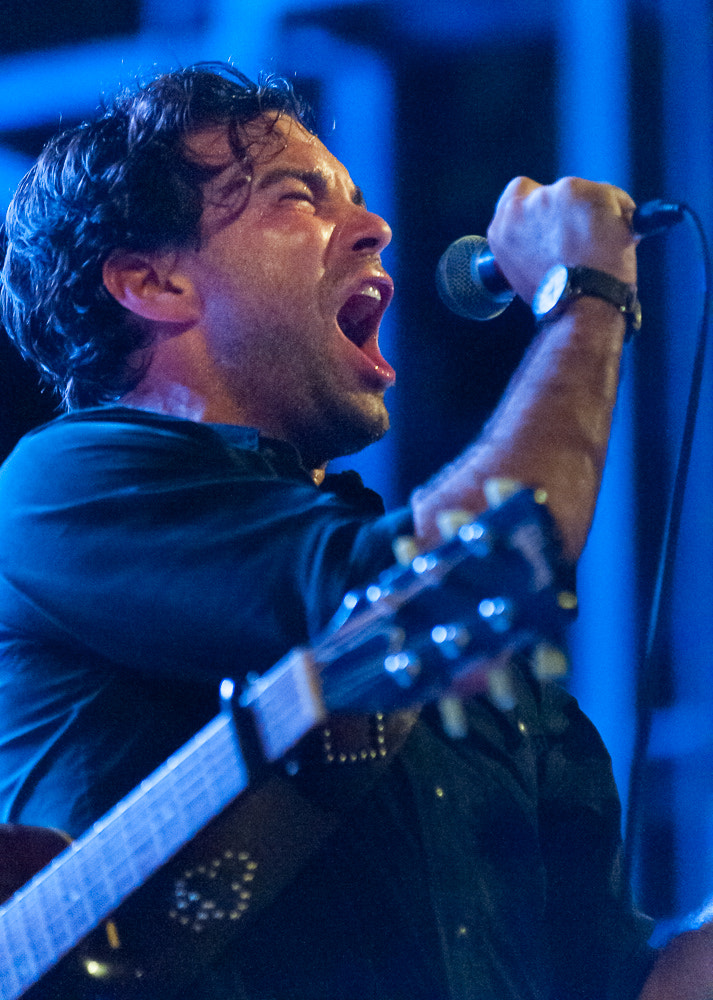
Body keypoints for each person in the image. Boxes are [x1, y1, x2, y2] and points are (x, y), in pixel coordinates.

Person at [0, 60, 710, 1000]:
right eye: (301, 198)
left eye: (359, 203)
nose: (375, 231)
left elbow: (618, 983)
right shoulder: (63, 487)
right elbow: (483, 561)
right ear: (152, 280)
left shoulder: (466, 645)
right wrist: (584, 294)